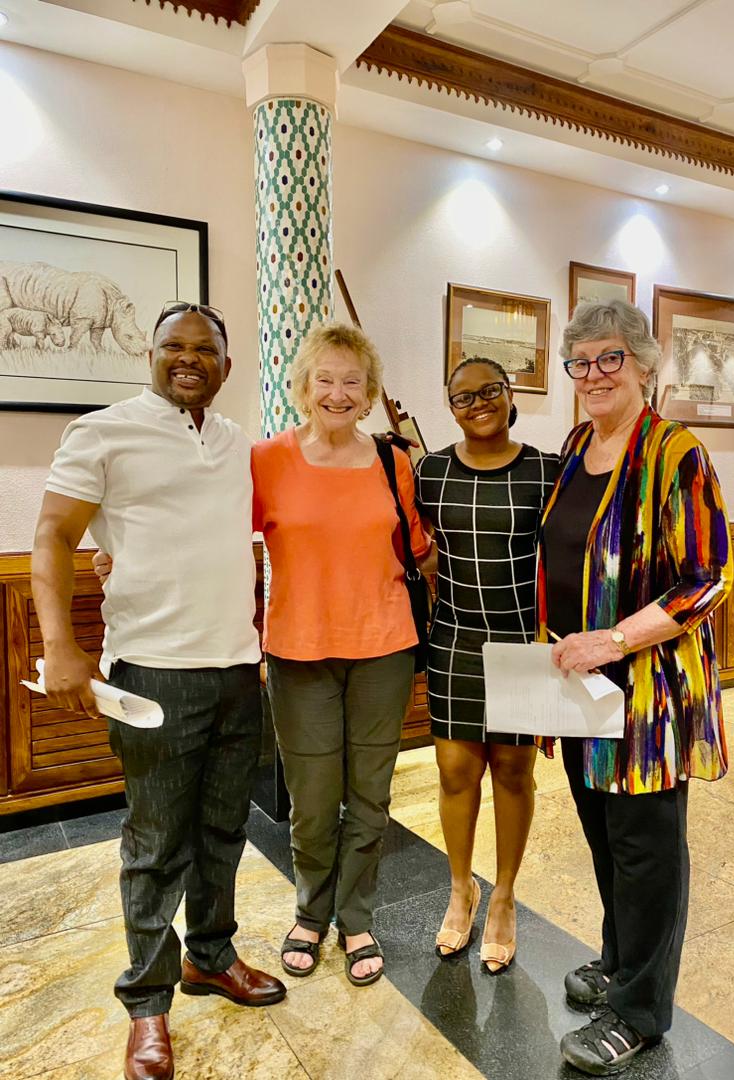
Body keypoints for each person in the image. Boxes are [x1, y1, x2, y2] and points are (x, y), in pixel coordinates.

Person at [31, 303, 286, 1080]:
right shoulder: (102, 432)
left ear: (226, 365)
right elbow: (53, 535)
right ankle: (147, 1002)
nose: (188, 358)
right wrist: (59, 644)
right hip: (153, 673)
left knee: (222, 833)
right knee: (155, 845)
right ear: (149, 355)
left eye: (205, 349)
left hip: (238, 670)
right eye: (173, 346)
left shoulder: (238, 441)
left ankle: (211, 955)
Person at [539, 299, 733, 1075]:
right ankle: (622, 962)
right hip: (580, 688)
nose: (593, 374)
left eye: (610, 358)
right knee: (605, 836)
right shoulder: (576, 444)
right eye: (580, 362)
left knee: (647, 849)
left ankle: (640, 1012)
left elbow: (707, 578)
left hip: (648, 692)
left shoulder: (676, 453)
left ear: (645, 366)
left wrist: (615, 639)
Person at [252, 322, 432, 987]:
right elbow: (215, 536)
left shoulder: (393, 462)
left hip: (384, 648)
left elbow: (421, 551)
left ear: (369, 392)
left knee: (369, 794)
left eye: (352, 381)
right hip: (298, 652)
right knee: (312, 796)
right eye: (324, 379)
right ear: (303, 387)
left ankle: (355, 916)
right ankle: (310, 911)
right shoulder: (267, 459)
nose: (338, 392)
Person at [414, 357, 559, 973]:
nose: (478, 404)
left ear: (509, 393)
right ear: (450, 407)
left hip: (522, 640)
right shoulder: (430, 471)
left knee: (513, 772)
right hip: (454, 638)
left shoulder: (547, 471)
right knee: (454, 771)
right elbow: (413, 543)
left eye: (490, 391)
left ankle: (503, 896)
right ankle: (460, 889)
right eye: (463, 397)